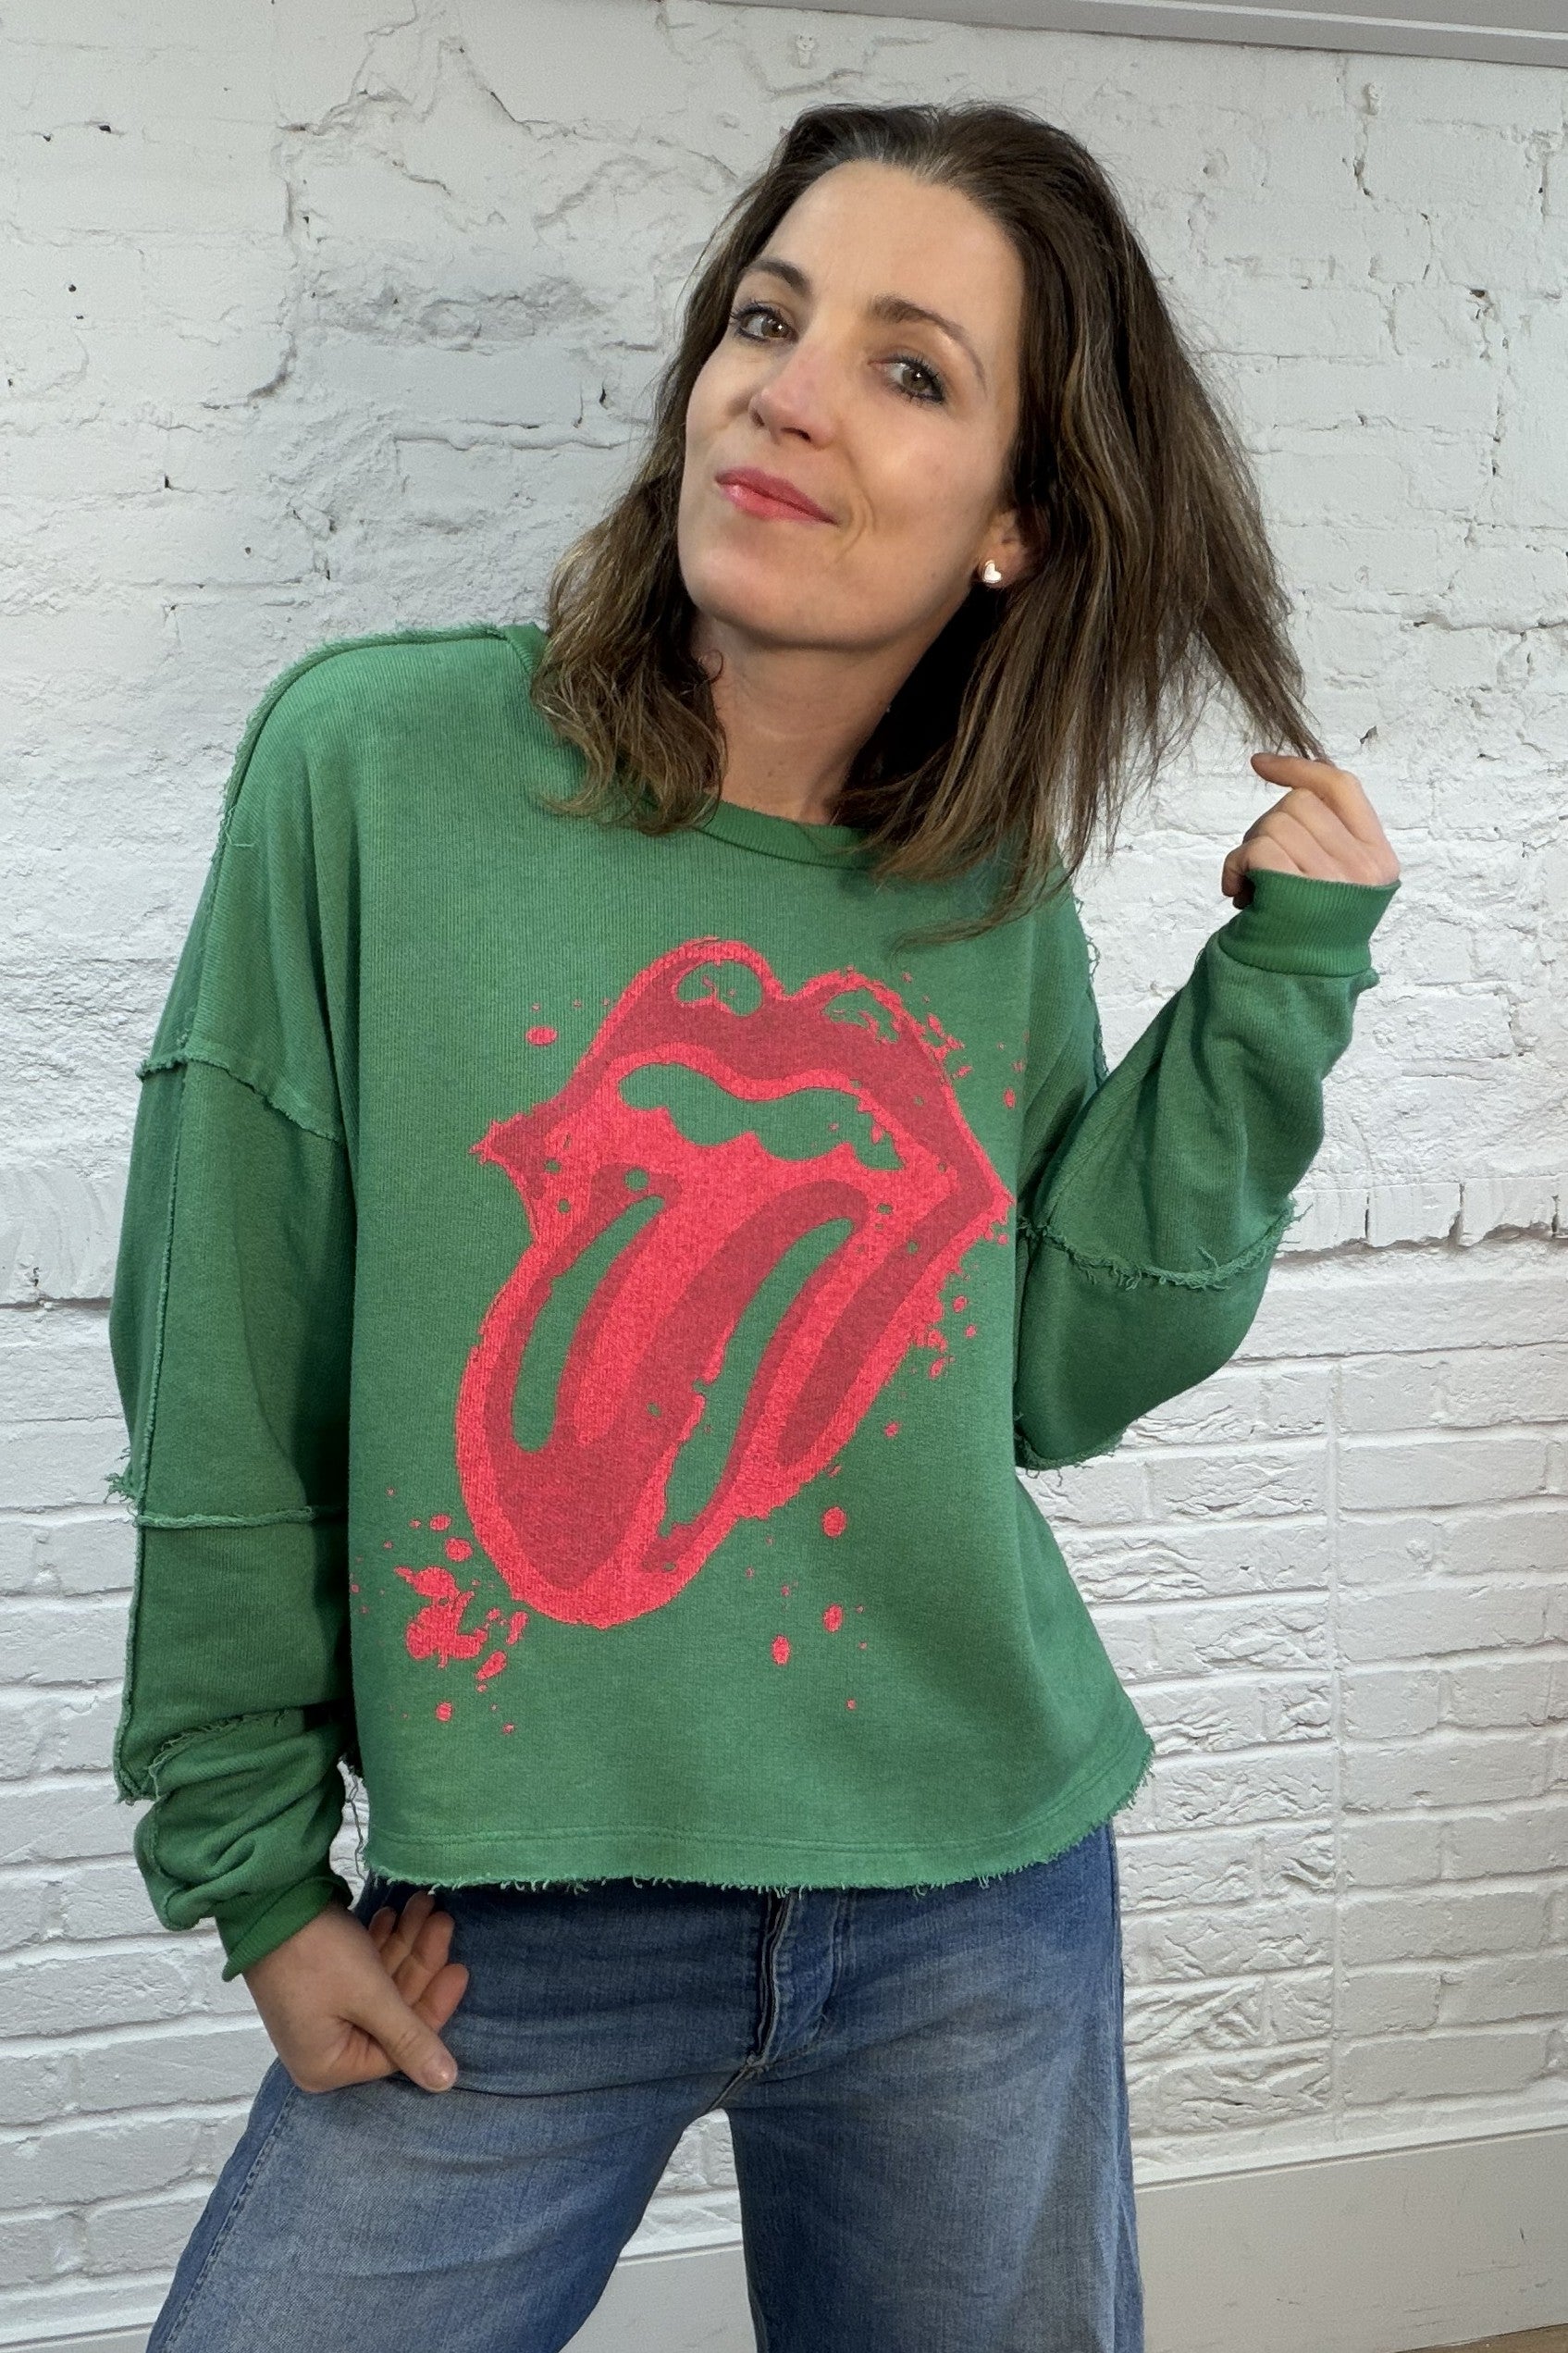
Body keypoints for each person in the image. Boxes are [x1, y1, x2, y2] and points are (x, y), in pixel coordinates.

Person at [105, 98, 1399, 2353]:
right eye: (765, 321)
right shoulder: (376, 771)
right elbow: (222, 1345)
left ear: (1018, 519)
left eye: (908, 368)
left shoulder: (977, 889)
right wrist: (249, 1873)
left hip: (968, 1896)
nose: (786, 395)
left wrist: (1275, 987)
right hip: (514, 1915)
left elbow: (1047, 1372)